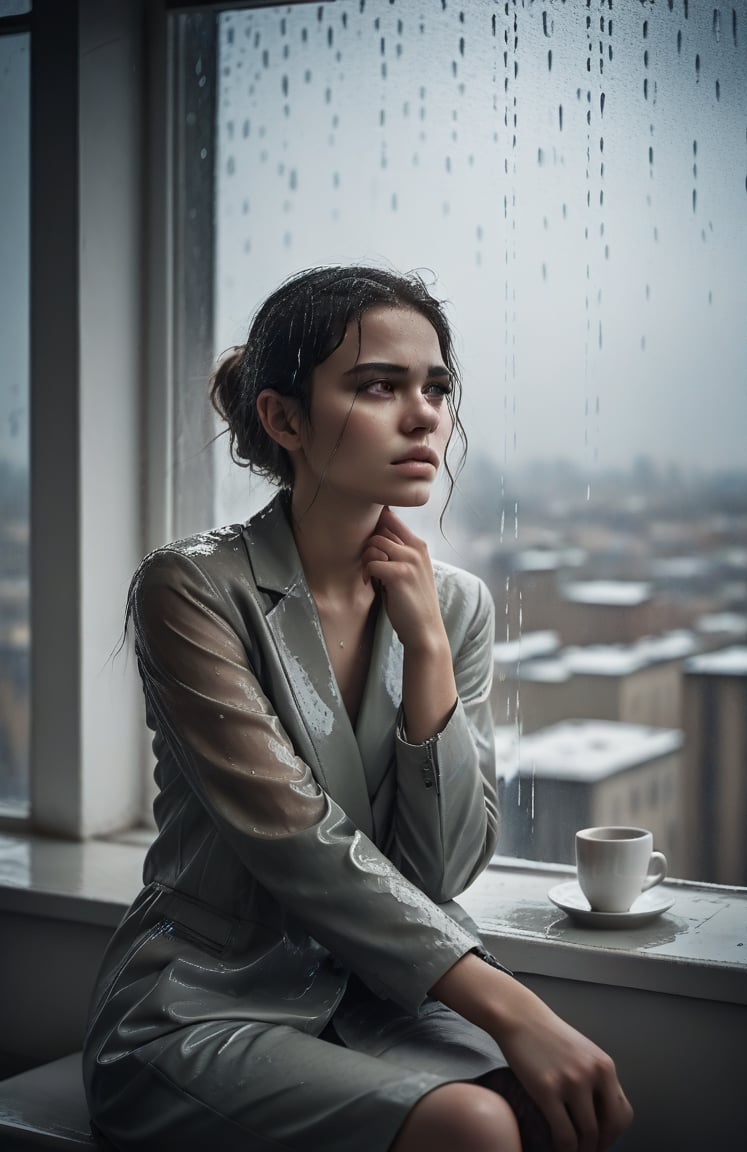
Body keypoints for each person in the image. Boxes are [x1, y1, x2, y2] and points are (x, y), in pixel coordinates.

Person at [82, 266, 633, 1152]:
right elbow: (296, 839)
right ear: (285, 419)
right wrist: (516, 1008)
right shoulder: (191, 588)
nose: (424, 415)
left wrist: (428, 652)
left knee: (550, 1119)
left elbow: (441, 868)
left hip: (381, 999)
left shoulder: (454, 608)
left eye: (437, 387)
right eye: (379, 385)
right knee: (476, 1126)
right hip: (204, 1001)